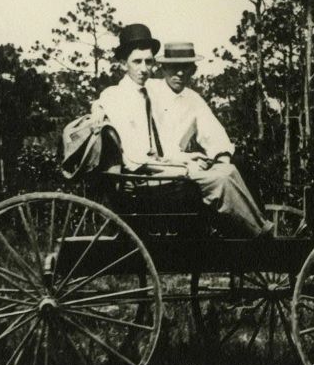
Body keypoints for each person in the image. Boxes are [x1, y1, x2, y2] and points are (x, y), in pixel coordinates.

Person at [92, 24, 273, 238]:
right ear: (123, 63)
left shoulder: (146, 93)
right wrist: (184, 165)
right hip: (147, 179)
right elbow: (136, 159)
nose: (144, 69)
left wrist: (185, 158)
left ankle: (253, 228)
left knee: (230, 169)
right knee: (222, 178)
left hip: (162, 169)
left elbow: (162, 145)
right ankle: (260, 235)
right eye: (137, 62)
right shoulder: (117, 96)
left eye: (149, 62)